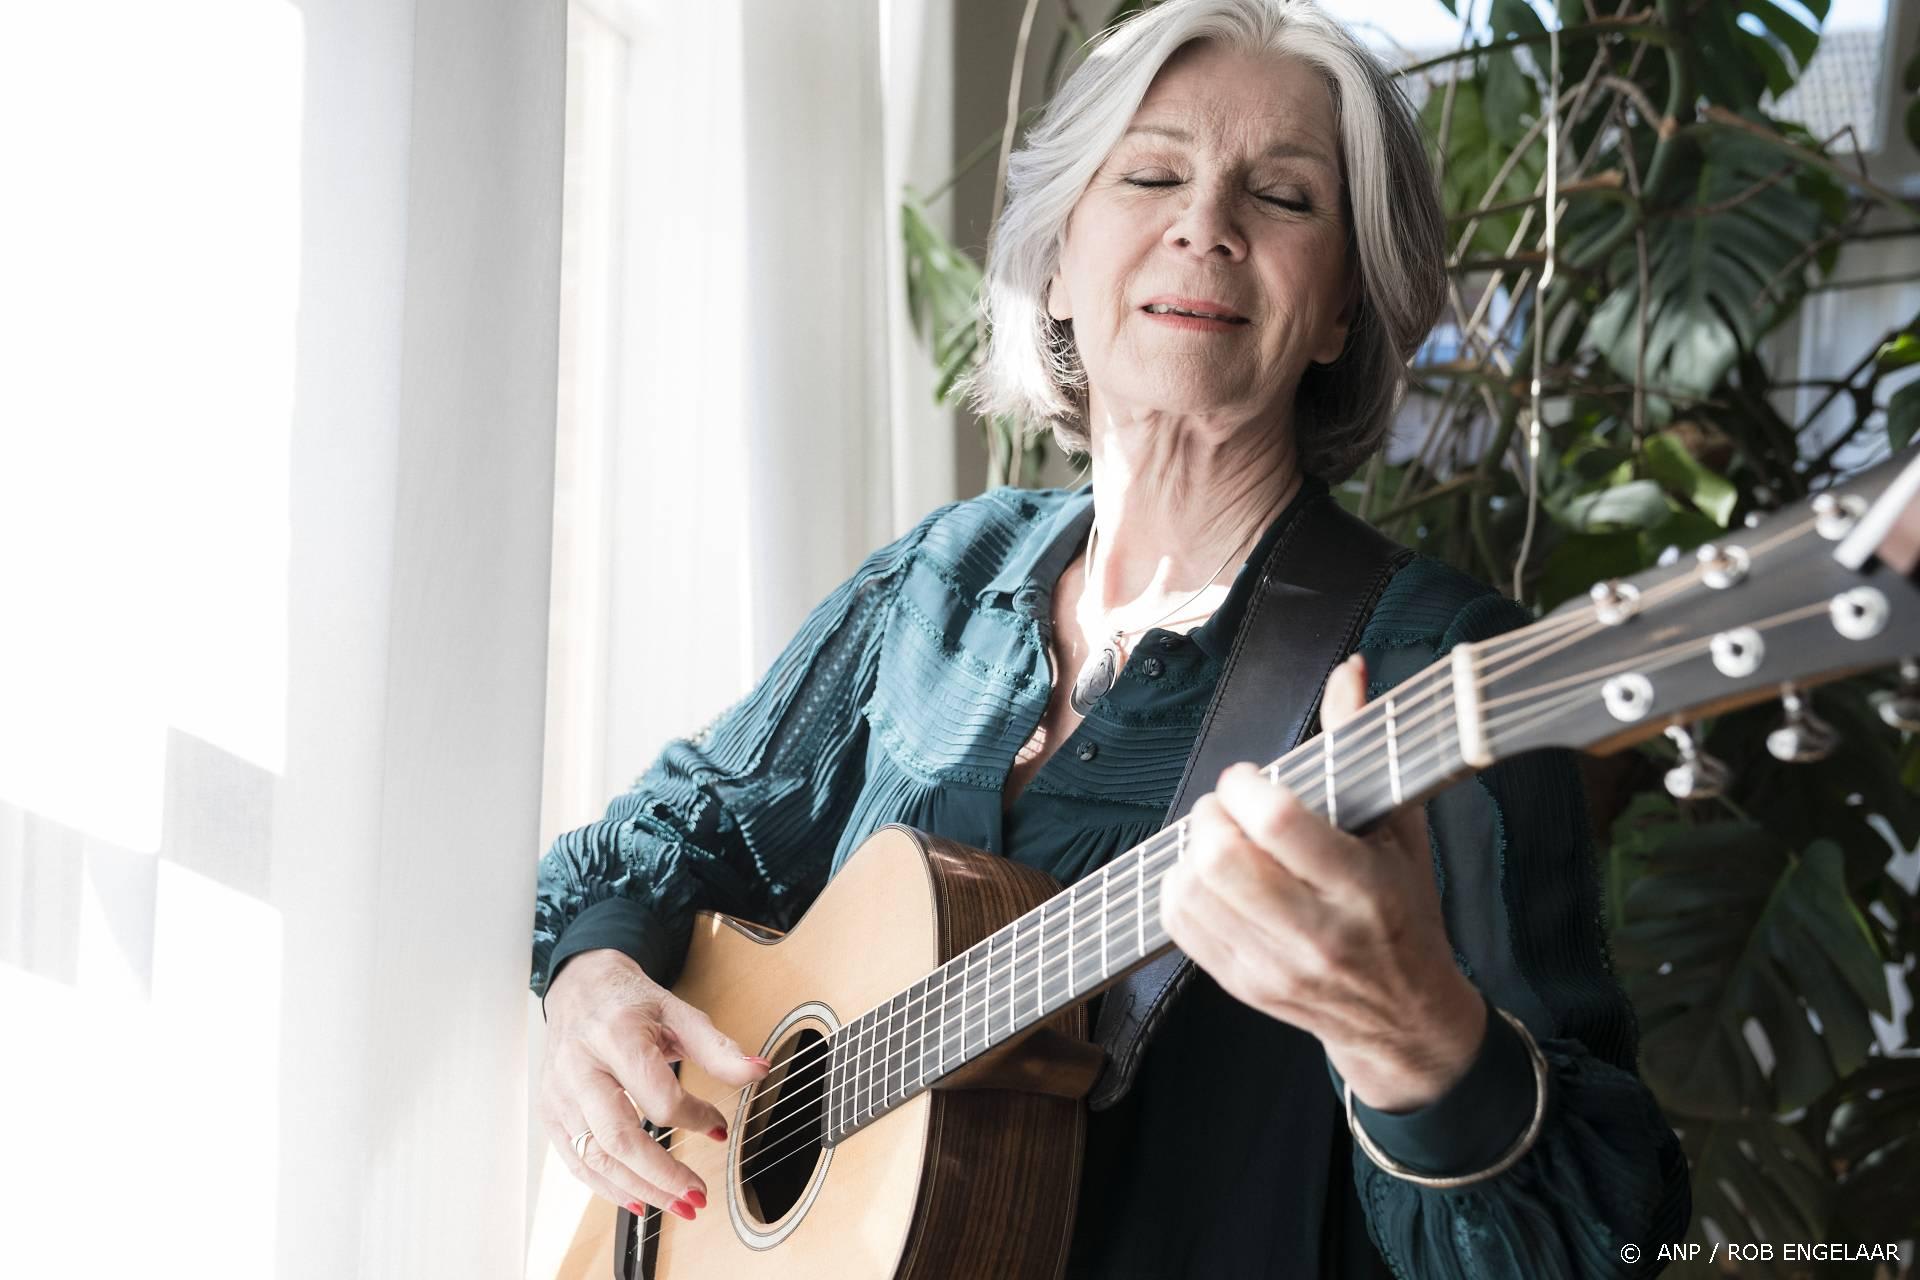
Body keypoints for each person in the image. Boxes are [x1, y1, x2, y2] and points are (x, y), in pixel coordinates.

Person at [531, 0, 1694, 1274]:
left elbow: (1607, 1243)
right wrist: (594, 983)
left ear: (1345, 309)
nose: (1206, 223)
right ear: (1060, 261)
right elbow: (672, 834)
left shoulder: (1427, 668)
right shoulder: (944, 579)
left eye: (1287, 198)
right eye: (1150, 173)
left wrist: (1419, 1042)